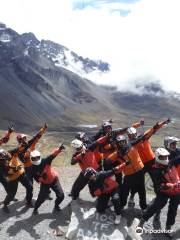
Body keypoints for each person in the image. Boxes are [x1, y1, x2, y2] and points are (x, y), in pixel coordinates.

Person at [129, 148, 180, 240]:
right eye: (163, 157)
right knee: (156, 206)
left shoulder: (171, 162)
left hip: (176, 190)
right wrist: (170, 185)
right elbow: (160, 185)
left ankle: (168, 227)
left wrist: (174, 186)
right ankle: (142, 220)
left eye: (166, 157)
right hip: (164, 192)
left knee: (173, 209)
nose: (165, 159)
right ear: (158, 157)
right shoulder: (156, 170)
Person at [1, 125, 47, 213]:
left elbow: (19, 149)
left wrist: (43, 129)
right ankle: (5, 205)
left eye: (4, 153)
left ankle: (28, 202)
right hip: (13, 178)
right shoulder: (1, 165)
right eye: (2, 156)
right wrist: (14, 169)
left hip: (21, 173)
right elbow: (6, 174)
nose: (4, 155)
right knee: (11, 194)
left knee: (30, 187)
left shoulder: (11, 152)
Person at [127, 118, 171, 206]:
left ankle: (158, 196)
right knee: (138, 182)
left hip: (152, 162)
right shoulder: (130, 143)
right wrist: (139, 124)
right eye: (131, 135)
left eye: (134, 134)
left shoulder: (144, 137)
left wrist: (163, 122)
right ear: (129, 136)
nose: (133, 136)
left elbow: (154, 128)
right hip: (141, 164)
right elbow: (131, 128)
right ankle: (132, 196)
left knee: (156, 180)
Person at [32, 143, 65, 215]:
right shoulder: (33, 168)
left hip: (54, 180)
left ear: (40, 157)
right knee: (41, 198)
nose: (36, 159)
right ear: (31, 159)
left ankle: (56, 205)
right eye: (34, 158)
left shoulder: (45, 161)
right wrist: (41, 178)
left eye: (37, 157)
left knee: (61, 195)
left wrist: (59, 150)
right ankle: (35, 208)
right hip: (45, 183)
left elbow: (52, 155)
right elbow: (36, 178)